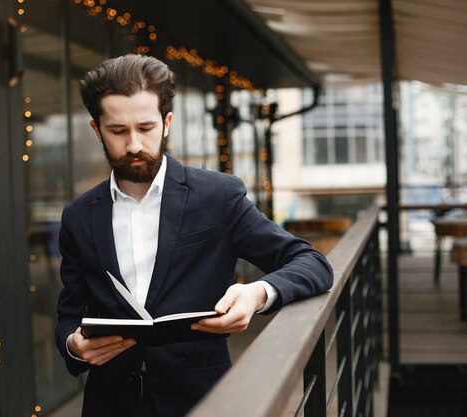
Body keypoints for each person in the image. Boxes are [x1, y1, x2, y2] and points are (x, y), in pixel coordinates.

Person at [55, 54, 333, 417]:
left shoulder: (217, 196)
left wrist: (257, 293)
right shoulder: (78, 216)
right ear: (97, 130)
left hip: (203, 401)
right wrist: (74, 346)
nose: (135, 144)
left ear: (167, 123)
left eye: (146, 127)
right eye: (118, 131)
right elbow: (68, 315)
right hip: (109, 404)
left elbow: (312, 263)